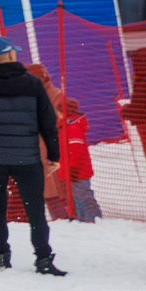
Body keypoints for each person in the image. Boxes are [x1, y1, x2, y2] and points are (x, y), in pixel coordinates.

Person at [0, 36, 65, 275]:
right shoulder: (33, 83)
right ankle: (43, 258)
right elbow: (48, 123)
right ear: (10, 54)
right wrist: (53, 156)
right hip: (28, 158)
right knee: (35, 209)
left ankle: (1, 256)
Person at [56, 94, 101, 223]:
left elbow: (76, 151)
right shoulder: (65, 127)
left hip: (77, 171)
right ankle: (81, 218)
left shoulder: (73, 128)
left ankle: (93, 219)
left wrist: (73, 167)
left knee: (84, 196)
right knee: (76, 197)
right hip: (71, 170)